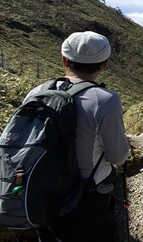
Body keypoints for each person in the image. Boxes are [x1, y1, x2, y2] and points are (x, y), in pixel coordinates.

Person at [30, 31, 130, 242]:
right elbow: (118, 157)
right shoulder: (106, 100)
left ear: (64, 60)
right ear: (105, 64)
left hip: (39, 194)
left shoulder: (37, 92)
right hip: (86, 198)